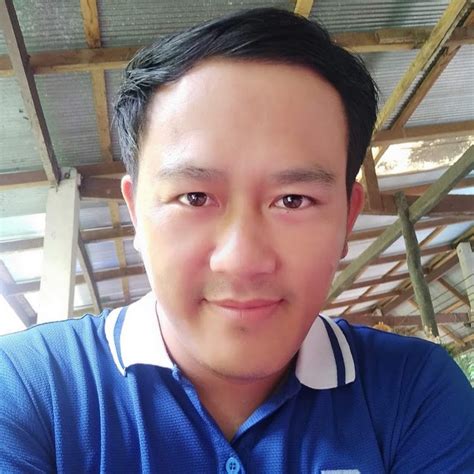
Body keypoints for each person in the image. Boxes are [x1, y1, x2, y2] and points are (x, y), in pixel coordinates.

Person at [0, 8, 473, 473]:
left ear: (348, 220)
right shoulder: (28, 389)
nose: (242, 260)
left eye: (293, 200)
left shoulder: (414, 391)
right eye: (195, 197)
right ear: (136, 214)